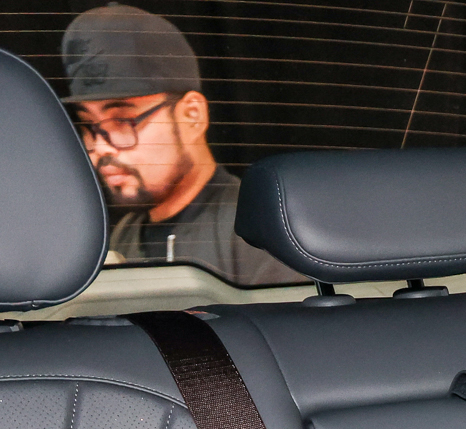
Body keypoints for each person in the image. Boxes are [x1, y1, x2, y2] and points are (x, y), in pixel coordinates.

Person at [60, 4, 302, 286]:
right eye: (89, 126)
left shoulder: (258, 231)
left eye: (122, 121)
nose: (101, 148)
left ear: (191, 116)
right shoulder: (124, 236)